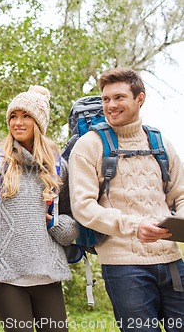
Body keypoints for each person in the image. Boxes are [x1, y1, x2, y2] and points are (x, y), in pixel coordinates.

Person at [69, 67, 184, 332]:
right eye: (106, 99)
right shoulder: (89, 145)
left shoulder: (161, 142)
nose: (110, 105)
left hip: (172, 262)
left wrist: (178, 223)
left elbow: (180, 194)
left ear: (139, 99)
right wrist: (134, 226)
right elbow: (83, 207)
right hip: (124, 267)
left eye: (119, 97)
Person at [0, 86, 78, 332]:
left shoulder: (58, 166)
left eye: (26, 116)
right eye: (13, 116)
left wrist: (57, 224)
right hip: (7, 277)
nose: (18, 122)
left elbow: (71, 224)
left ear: (39, 122)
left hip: (48, 274)